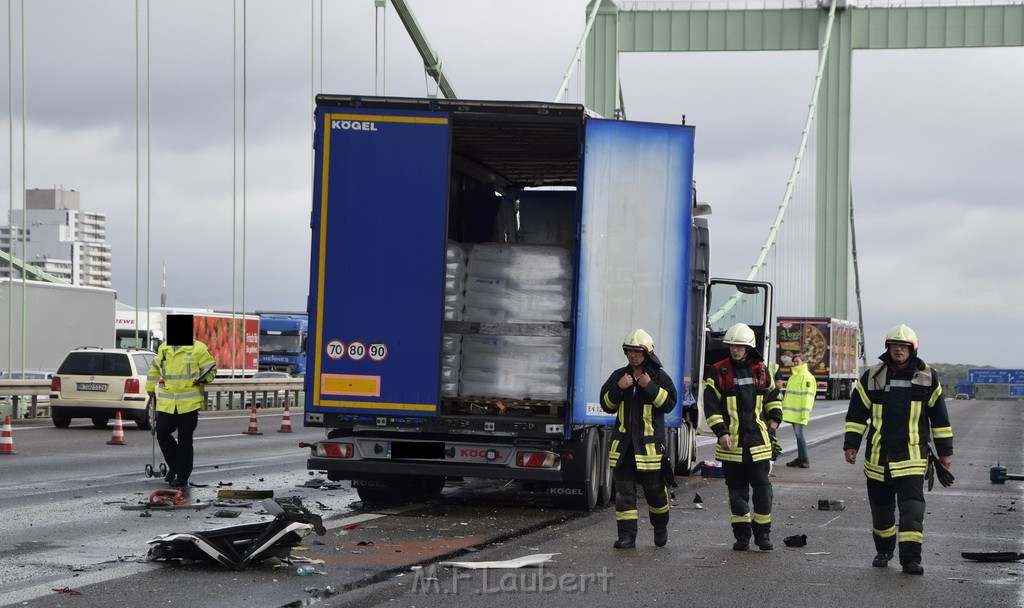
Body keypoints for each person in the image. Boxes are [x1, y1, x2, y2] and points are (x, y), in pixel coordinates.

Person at [843, 324, 953, 575]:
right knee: (881, 513)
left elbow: (940, 418)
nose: (898, 351)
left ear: (912, 349)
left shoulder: (927, 377)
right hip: (878, 457)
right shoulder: (872, 376)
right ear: (888, 348)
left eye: (903, 347)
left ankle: (911, 560)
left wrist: (945, 451)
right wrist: (851, 444)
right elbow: (857, 414)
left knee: (912, 510)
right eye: (894, 346)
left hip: (913, 456)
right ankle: (884, 551)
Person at [703, 322, 783, 551]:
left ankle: (763, 535)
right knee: (736, 493)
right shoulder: (718, 371)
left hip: (758, 443)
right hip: (732, 446)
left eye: (739, 346)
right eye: (731, 346)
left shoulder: (761, 370)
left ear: (748, 347)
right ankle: (742, 536)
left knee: (763, 491)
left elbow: (774, 396)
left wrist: (775, 418)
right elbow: (711, 407)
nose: (734, 350)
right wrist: (721, 432)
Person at [599, 328, 677, 549]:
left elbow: (669, 404)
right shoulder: (619, 376)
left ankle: (660, 527)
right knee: (624, 496)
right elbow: (606, 405)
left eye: (636, 351)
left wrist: (649, 387)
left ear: (647, 353)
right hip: (624, 449)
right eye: (629, 351)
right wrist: (618, 388)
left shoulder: (660, 377)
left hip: (649, 451)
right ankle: (627, 537)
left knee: (656, 496)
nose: (632, 355)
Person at [146, 314, 218, 488]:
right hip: (167, 402)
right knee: (162, 433)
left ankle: (182, 476)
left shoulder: (198, 349)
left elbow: (211, 369)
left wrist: (202, 380)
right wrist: (150, 386)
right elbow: (155, 368)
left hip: (189, 403)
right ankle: (174, 466)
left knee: (185, 439)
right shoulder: (164, 348)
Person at [782, 353, 817, 468]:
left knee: (799, 434)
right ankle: (800, 458)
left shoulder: (807, 377)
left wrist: (805, 412)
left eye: (798, 361)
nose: (796, 363)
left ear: (803, 362)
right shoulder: (793, 376)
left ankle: (805, 459)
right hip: (793, 413)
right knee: (798, 435)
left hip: (801, 412)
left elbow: (808, 396)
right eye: (795, 361)